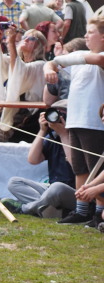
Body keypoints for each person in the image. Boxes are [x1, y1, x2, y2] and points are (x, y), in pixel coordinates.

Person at [43, 13, 104, 226]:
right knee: (80, 168)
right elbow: (53, 63)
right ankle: (81, 210)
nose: (86, 36)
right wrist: (50, 68)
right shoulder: (81, 57)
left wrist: (59, 61)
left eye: (91, 32)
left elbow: (97, 59)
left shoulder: (98, 56)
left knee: (96, 168)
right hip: (76, 120)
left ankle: (98, 211)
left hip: (94, 122)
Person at [4, 108, 76, 218]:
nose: (57, 118)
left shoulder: (79, 137)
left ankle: (25, 208)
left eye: (61, 114)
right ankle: (49, 208)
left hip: (74, 192)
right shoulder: (53, 136)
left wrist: (64, 134)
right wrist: (42, 130)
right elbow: (33, 159)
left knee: (57, 187)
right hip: (51, 189)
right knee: (14, 182)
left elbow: (76, 166)